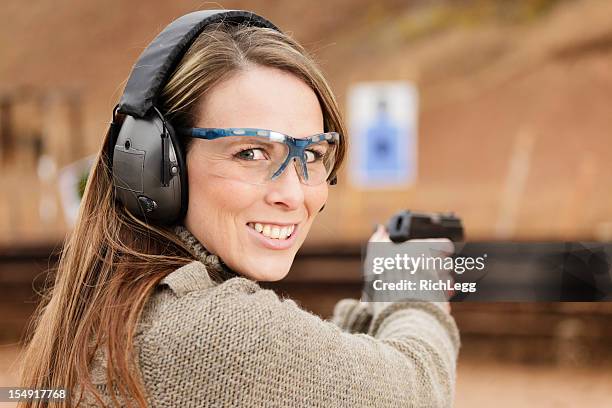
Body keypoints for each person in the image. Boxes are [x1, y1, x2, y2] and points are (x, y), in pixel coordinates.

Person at [19, 10, 460, 408]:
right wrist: (413, 289)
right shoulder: (211, 332)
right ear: (156, 163)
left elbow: (313, 373)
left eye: (310, 155)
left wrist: (376, 303)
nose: (293, 193)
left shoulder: (129, 304)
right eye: (250, 152)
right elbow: (418, 390)